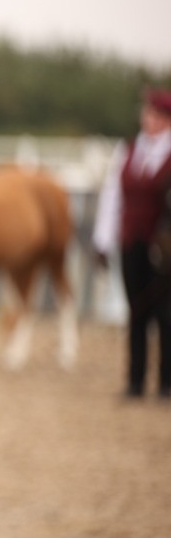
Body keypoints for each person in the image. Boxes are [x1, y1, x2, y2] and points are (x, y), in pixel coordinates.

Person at [92, 86, 171, 399]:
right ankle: (135, 379)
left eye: (155, 114)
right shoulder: (129, 151)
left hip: (164, 248)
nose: (148, 119)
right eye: (147, 113)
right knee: (136, 310)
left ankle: (166, 382)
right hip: (132, 240)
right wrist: (103, 239)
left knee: (166, 314)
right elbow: (113, 197)